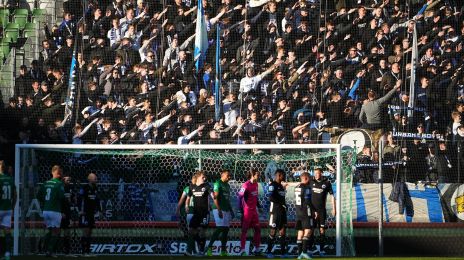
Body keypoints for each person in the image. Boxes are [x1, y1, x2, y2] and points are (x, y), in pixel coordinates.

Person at [37, 165, 65, 257]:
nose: (59, 174)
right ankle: (49, 251)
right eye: (59, 172)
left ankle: (42, 246)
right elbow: (62, 197)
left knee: (50, 230)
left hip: (46, 210)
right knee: (56, 231)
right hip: (55, 210)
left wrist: (46, 202)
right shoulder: (59, 183)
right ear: (58, 173)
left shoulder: (45, 183)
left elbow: (38, 196)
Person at [206, 169, 234, 256]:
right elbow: (215, 198)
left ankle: (223, 251)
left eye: (230, 176)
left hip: (226, 209)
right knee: (220, 228)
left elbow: (227, 200)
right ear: (222, 175)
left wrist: (231, 211)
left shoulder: (228, 186)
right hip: (218, 209)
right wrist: (218, 210)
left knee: (226, 230)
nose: (229, 177)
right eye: (228, 175)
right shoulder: (217, 183)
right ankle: (209, 248)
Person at [185, 171, 213, 256]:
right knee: (191, 230)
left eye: (205, 177)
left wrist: (213, 194)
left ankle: (200, 251)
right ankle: (193, 249)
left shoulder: (206, 186)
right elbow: (188, 197)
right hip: (196, 213)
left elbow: (212, 196)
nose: (205, 178)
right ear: (197, 178)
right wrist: (186, 205)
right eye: (203, 177)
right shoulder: (191, 187)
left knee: (201, 231)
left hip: (204, 213)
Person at [310, 168, 336, 256]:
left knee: (322, 230)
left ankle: (321, 249)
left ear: (321, 173)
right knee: (311, 230)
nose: (316, 175)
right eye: (315, 173)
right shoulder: (310, 182)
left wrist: (334, 208)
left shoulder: (327, 183)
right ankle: (310, 247)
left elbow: (332, 196)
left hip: (321, 211)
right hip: (312, 211)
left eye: (318, 173)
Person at [238, 169, 262, 256]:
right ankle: (242, 250)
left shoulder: (256, 184)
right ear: (253, 175)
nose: (259, 176)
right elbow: (239, 197)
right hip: (247, 211)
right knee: (244, 230)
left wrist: (259, 207)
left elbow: (255, 197)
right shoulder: (246, 185)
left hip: (254, 211)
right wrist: (240, 210)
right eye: (257, 175)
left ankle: (257, 248)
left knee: (258, 229)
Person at [266, 169, 288, 258]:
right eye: (283, 175)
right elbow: (271, 198)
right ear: (279, 175)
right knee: (273, 232)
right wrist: (281, 203)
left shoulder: (281, 186)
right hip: (274, 212)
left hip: (282, 212)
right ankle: (269, 252)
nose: (284, 177)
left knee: (283, 232)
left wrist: (285, 205)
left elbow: (282, 198)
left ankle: (283, 253)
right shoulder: (272, 185)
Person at [78, 173, 101, 256]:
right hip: (85, 213)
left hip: (92, 213)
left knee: (90, 232)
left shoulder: (95, 188)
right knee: (86, 231)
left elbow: (97, 200)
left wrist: (99, 210)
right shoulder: (84, 188)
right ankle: (83, 251)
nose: (96, 180)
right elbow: (79, 199)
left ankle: (88, 251)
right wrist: (80, 210)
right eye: (95, 178)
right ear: (90, 179)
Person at [295, 171, 314, 259]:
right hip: (306, 211)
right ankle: (304, 252)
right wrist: (313, 210)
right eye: (309, 178)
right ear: (306, 178)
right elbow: (307, 200)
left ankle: (299, 255)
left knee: (300, 232)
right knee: (308, 231)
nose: (310, 180)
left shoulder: (296, 187)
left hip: (298, 212)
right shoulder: (306, 188)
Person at [0, 161, 16, 260]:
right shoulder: (10, 179)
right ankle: (7, 254)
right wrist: (12, 207)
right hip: (8, 209)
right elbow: (15, 195)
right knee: (7, 232)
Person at [176, 174, 198, 242]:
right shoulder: (187, 188)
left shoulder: (189, 188)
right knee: (183, 222)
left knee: (192, 228)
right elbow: (181, 199)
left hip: (191, 209)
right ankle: (187, 236)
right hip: (187, 208)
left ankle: (190, 239)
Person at [61, 176, 76, 256]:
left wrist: (73, 199)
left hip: (68, 212)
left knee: (67, 232)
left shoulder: (71, 189)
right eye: (67, 180)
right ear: (63, 180)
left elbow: (74, 199)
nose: (69, 181)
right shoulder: (60, 189)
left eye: (70, 180)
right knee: (57, 231)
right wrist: (61, 212)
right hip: (61, 213)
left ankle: (67, 250)